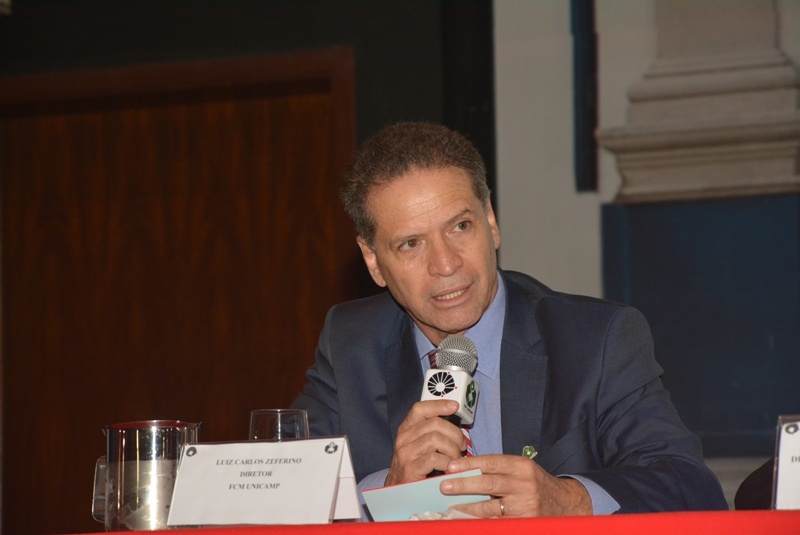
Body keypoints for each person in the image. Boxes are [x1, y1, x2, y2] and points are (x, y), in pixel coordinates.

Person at [291, 121, 728, 517]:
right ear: (373, 262)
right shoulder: (351, 343)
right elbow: (274, 489)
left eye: (460, 226)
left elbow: (692, 488)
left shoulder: (595, 340)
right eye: (410, 244)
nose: (445, 264)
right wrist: (386, 494)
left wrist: (567, 499)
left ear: (492, 223)